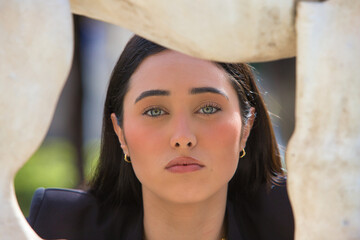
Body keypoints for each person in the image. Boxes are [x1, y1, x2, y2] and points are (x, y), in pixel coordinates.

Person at [28, 35, 294, 240]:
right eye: (155, 111)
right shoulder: (62, 227)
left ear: (247, 127)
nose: (182, 138)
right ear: (120, 132)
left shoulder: (304, 221)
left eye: (208, 108)